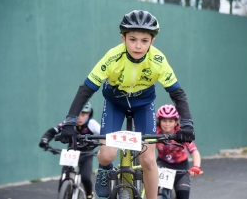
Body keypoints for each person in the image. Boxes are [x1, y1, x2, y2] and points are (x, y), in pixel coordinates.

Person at [60, 10, 195, 199]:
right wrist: (70, 121)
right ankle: (105, 170)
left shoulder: (158, 60)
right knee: (107, 154)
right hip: (115, 103)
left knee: (148, 159)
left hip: (143, 105)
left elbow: (177, 94)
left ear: (152, 41)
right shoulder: (113, 56)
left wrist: (187, 123)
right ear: (123, 38)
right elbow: (86, 89)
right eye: (132, 39)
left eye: (144, 41)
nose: (138, 46)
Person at [39, 101, 100, 199]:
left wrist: (103, 145)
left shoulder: (92, 124)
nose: (80, 117)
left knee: (85, 177)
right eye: (78, 114)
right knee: (64, 177)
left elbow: (104, 134)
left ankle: (89, 195)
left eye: (83, 114)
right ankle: (62, 195)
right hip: (71, 153)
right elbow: (53, 131)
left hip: (86, 154)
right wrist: (45, 140)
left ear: (88, 114)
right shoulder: (68, 123)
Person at [156, 104, 202, 199]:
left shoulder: (181, 133)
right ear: (159, 121)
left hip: (181, 168)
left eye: (170, 121)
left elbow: (194, 152)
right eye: (164, 120)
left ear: (176, 122)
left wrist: (196, 167)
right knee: (157, 194)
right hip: (162, 165)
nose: (167, 124)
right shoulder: (155, 132)